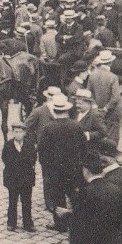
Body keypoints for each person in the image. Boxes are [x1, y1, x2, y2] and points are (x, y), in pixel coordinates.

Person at [67, 149, 122, 244]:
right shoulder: (116, 189)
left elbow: (78, 222)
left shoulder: (83, 193)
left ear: (86, 170)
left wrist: (66, 214)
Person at [39, 95, 87, 232]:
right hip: (74, 170)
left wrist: (47, 168)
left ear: (54, 111)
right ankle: (80, 222)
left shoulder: (48, 128)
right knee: (75, 196)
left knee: (58, 197)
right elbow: (84, 147)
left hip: (55, 171)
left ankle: (60, 224)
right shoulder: (76, 126)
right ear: (67, 110)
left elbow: (42, 151)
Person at [1, 120, 37, 232]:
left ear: (24, 133)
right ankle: (11, 222)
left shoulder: (30, 144)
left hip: (26, 178)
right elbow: (5, 159)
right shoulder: (8, 145)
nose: (18, 134)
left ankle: (28, 223)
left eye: (20, 132)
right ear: (13, 133)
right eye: (16, 132)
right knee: (12, 201)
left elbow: (33, 159)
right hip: (13, 178)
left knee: (27, 202)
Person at [87, 49, 122, 144]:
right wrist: (106, 108)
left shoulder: (92, 75)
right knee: (113, 137)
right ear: (110, 63)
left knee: (101, 133)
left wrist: (95, 106)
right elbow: (115, 97)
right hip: (112, 112)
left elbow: (89, 93)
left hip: (98, 110)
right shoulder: (113, 77)